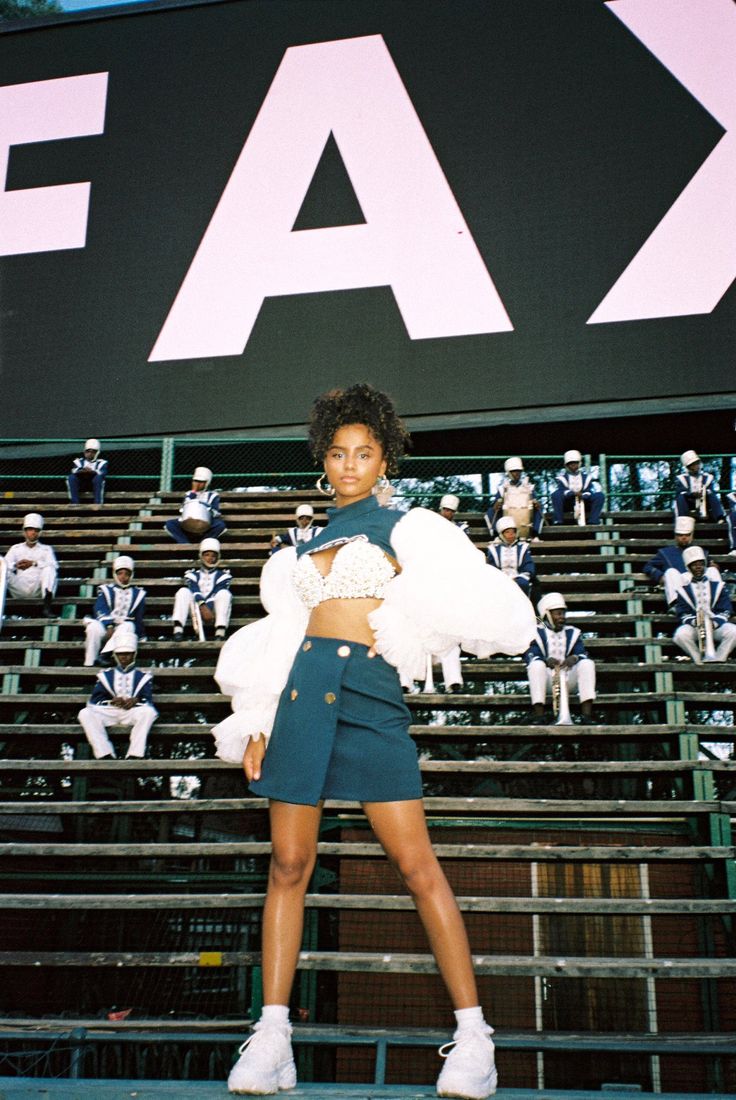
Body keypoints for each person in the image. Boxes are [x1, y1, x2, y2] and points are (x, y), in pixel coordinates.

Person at [212, 383, 536, 1099]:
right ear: (324, 461)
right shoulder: (303, 540)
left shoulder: (413, 525)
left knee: (418, 866)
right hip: (301, 696)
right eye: (337, 453)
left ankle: (475, 1040)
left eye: (364, 452)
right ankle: (272, 1039)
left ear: (384, 456)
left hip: (369, 697)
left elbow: (478, 604)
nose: (350, 464)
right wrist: (258, 716)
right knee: (288, 866)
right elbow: (283, 632)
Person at [77, 626, 158, 758]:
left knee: (148, 712)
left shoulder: (143, 676)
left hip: (132, 712)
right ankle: (105, 752)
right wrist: (111, 701)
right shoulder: (106, 675)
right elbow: (95, 700)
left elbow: (148, 700)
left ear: (134, 654)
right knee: (85, 713)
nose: (123, 657)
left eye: (127, 653)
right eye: (120, 654)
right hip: (111, 711)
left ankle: (135, 753)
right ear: (115, 655)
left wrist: (136, 700)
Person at [524, 592, 597, 725]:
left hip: (569, 678)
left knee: (587, 664)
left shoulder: (572, 632)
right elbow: (531, 655)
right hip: (547, 680)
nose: (562, 617)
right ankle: (539, 716)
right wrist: (545, 661)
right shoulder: (537, 633)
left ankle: (587, 715)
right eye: (558, 613)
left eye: (563, 613)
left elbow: (582, 653)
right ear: (548, 615)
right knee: (536, 665)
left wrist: (574, 658)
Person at [673, 547, 736, 664]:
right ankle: (698, 659)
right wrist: (696, 622)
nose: (698, 567)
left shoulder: (718, 586)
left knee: (734, 632)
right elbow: (682, 612)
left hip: (715, 625)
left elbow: (726, 609)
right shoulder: (683, 590)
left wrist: (714, 622)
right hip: (695, 626)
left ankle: (719, 658)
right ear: (688, 568)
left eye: (701, 564)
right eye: (694, 565)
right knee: (680, 635)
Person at [642, 516, 720, 608]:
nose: (683, 538)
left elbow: (710, 566)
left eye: (687, 535)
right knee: (670, 572)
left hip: (700, 585)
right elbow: (647, 567)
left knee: (712, 571)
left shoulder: (701, 551)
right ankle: (676, 605)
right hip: (680, 584)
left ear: (691, 536)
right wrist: (660, 576)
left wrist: (713, 566)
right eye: (680, 535)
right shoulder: (665, 553)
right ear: (675, 536)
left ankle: (718, 603)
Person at [83, 556, 146, 666]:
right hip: (104, 626)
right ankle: (90, 662)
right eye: (120, 573)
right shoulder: (106, 590)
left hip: (123, 630)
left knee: (129, 625)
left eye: (127, 574)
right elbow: (100, 608)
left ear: (131, 575)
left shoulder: (138, 594)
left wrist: (141, 634)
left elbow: (139, 617)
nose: (123, 577)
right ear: (114, 574)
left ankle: (104, 655)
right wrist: (109, 625)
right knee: (92, 627)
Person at [172, 537, 232, 641]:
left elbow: (216, 592)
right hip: (195, 610)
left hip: (213, 611)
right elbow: (194, 589)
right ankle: (178, 630)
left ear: (218, 557)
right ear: (201, 556)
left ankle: (220, 632)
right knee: (183, 591)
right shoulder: (191, 575)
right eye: (207, 555)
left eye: (214, 555)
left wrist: (207, 609)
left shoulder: (224, 576)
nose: (210, 558)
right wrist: (202, 606)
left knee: (224, 594)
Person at [3, 513, 58, 618]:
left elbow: (54, 565)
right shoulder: (15, 548)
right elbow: (4, 565)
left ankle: (47, 608)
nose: (33, 532)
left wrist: (33, 563)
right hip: (20, 587)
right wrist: (16, 565)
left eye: (36, 530)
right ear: (24, 531)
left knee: (49, 568)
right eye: (30, 529)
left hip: (38, 588)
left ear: (39, 532)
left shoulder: (46, 549)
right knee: (3, 570)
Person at [485, 457, 544, 541]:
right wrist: (497, 504)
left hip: (525, 517)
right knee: (490, 511)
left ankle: (534, 534)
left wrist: (536, 503)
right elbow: (496, 504)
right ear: (508, 473)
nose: (516, 473)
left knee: (540, 508)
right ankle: (496, 536)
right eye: (513, 471)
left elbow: (534, 501)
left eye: (518, 471)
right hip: (507, 516)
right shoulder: (502, 488)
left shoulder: (529, 487)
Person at [165, 466, 227, 544]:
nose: (197, 484)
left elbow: (216, 512)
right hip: (188, 521)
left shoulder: (213, 495)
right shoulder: (188, 494)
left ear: (207, 483)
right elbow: (183, 507)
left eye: (201, 482)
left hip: (206, 522)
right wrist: (193, 493)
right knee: (170, 524)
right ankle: (185, 543)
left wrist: (206, 509)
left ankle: (204, 543)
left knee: (220, 525)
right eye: (195, 481)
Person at [550, 450, 604, 526]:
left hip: (584, 502)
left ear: (579, 464)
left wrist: (583, 495)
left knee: (599, 496)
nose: (573, 465)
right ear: (566, 465)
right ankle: (558, 521)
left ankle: (593, 521)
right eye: (570, 464)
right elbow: (562, 491)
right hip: (569, 504)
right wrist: (573, 494)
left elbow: (589, 491)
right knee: (555, 494)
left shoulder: (586, 478)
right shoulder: (562, 478)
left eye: (575, 463)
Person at [486, 516, 536, 597]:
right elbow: (492, 568)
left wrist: (518, 578)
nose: (511, 535)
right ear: (501, 534)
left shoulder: (523, 548)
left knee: (523, 584)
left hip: (518, 577)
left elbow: (528, 565)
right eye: (507, 532)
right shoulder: (493, 549)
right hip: (500, 578)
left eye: (513, 532)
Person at [674, 450, 725, 523]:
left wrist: (703, 492)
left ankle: (720, 517)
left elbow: (711, 491)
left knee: (711, 494)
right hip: (689, 503)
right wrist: (691, 494)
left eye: (697, 463)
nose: (696, 466)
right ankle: (683, 520)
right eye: (693, 464)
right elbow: (679, 493)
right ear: (688, 467)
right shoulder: (682, 479)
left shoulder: (707, 477)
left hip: (704, 502)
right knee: (681, 497)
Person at [67, 438, 108, 505]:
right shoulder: (79, 461)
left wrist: (92, 471)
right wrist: (82, 471)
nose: (90, 453)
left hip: (94, 484)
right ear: (84, 452)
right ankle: (74, 503)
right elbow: (74, 471)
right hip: (81, 484)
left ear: (97, 453)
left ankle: (98, 503)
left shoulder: (102, 462)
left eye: (93, 451)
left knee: (98, 478)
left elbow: (102, 473)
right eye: (88, 451)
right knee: (71, 477)